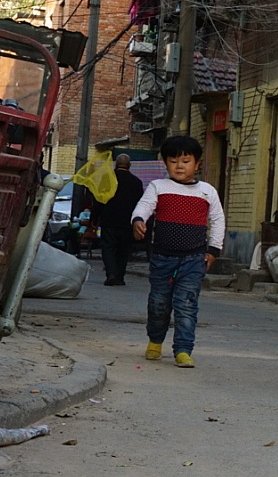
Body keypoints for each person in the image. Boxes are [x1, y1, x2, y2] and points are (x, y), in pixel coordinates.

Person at [131, 136, 225, 369]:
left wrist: (213, 250)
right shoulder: (158, 187)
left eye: (185, 161)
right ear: (166, 163)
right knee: (158, 303)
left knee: (186, 304)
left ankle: (183, 350)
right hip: (162, 258)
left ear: (197, 163)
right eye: (173, 161)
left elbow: (218, 220)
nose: (179, 166)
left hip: (194, 259)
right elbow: (144, 206)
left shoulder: (207, 191)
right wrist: (138, 219)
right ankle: (155, 340)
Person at [96, 154, 144, 285]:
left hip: (109, 219)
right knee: (123, 249)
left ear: (116, 164)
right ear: (129, 165)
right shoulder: (136, 182)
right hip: (127, 221)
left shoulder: (107, 180)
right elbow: (140, 203)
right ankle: (120, 276)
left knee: (108, 247)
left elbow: (99, 200)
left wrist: (94, 218)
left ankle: (111, 273)